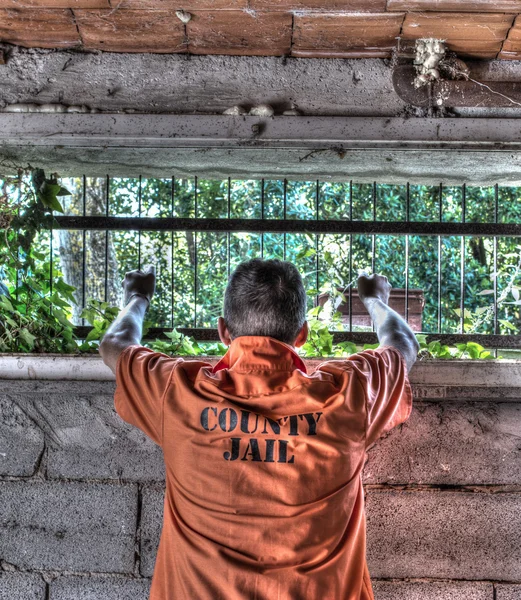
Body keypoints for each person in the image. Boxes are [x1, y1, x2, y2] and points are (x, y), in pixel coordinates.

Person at [99, 259, 419, 600]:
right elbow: (402, 344)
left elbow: (115, 344)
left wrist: (137, 296)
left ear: (223, 330)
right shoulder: (347, 394)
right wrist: (375, 299)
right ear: (302, 335)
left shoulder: (178, 391)